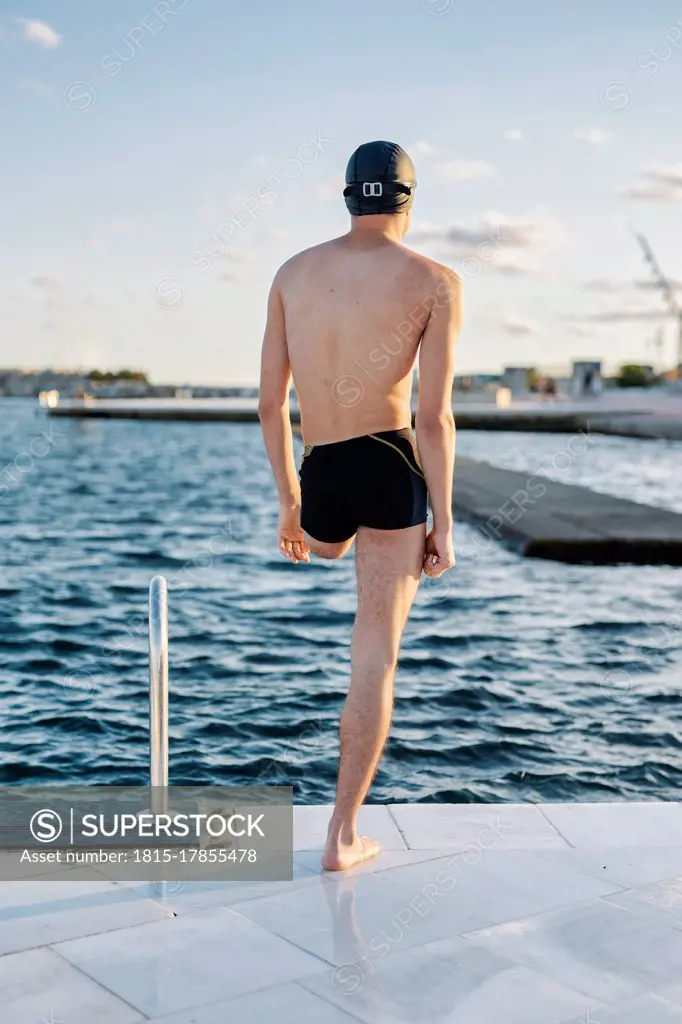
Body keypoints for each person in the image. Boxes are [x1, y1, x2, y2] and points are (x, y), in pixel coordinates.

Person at [258, 140, 461, 871]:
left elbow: (268, 403)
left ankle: (328, 533)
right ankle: (342, 836)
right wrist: (444, 519)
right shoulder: (434, 280)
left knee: (327, 542)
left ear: (348, 195)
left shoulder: (293, 273)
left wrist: (290, 503)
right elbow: (434, 420)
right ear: (409, 198)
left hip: (322, 467)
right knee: (374, 652)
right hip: (389, 460)